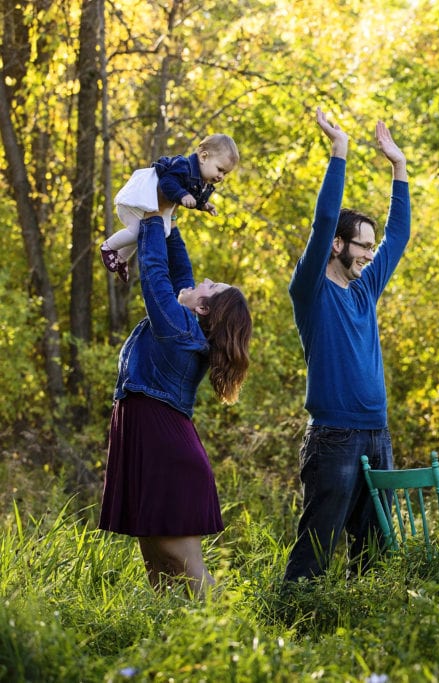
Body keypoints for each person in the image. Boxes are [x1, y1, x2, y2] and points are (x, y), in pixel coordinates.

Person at [282, 107, 410, 582]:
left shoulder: (365, 288)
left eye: (370, 247)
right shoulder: (311, 289)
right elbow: (322, 222)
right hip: (333, 437)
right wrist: (341, 151)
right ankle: (292, 623)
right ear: (338, 246)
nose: (370, 253)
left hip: (378, 434)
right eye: (362, 245)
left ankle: (361, 631)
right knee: (317, 549)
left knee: (375, 553)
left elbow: (399, 236)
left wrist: (398, 167)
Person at [99, 212, 252, 598]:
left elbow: (155, 275)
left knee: (182, 562)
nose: (202, 280)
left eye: (211, 285)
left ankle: (234, 634)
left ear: (204, 309)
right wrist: (168, 219)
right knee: (154, 555)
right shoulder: (186, 321)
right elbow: (180, 270)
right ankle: (171, 639)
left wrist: (151, 222)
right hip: (150, 438)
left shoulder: (179, 328)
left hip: (166, 449)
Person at [101, 134, 240, 282]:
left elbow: (194, 198)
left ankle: (121, 258)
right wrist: (182, 195)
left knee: (141, 232)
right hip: (136, 199)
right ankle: (108, 247)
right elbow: (167, 183)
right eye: (220, 169)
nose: (221, 177)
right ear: (204, 157)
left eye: (225, 173)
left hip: (147, 205)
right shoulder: (183, 166)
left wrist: (203, 205)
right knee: (137, 231)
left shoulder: (201, 180)